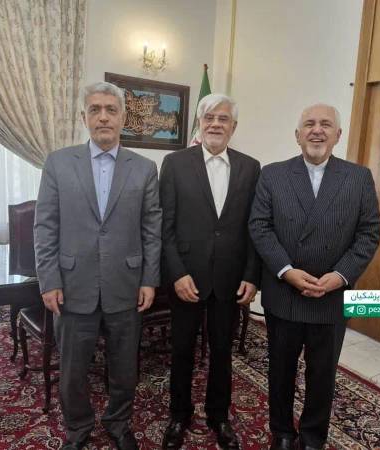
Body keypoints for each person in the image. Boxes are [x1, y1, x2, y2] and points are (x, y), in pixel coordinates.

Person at [34, 81, 162, 450]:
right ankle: (78, 428)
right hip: (73, 285)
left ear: (123, 117)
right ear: (84, 117)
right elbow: (45, 226)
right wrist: (49, 280)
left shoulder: (145, 168)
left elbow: (151, 228)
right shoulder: (58, 163)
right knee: (73, 370)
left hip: (127, 284)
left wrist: (149, 279)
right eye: (95, 110)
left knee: (124, 368)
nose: (103, 117)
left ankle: (119, 423)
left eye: (110, 110)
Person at [248, 104, 380, 450]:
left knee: (322, 374)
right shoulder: (273, 174)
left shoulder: (358, 177)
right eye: (309, 124)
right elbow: (259, 227)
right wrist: (287, 271)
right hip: (284, 292)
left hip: (332, 296)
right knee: (280, 370)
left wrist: (341, 275)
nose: (317, 130)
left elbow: (369, 233)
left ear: (338, 135)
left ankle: (312, 437)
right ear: (297, 135)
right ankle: (281, 432)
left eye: (325, 124)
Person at [159, 93, 261, 450]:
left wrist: (252, 275)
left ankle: (219, 416)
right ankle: (179, 415)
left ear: (234, 126)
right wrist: (176, 273)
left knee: (222, 353)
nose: (216, 124)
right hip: (186, 278)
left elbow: (255, 227)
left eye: (224, 118)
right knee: (182, 351)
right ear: (199, 123)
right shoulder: (174, 163)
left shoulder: (251, 167)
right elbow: (165, 226)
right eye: (210, 117)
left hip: (229, 280)